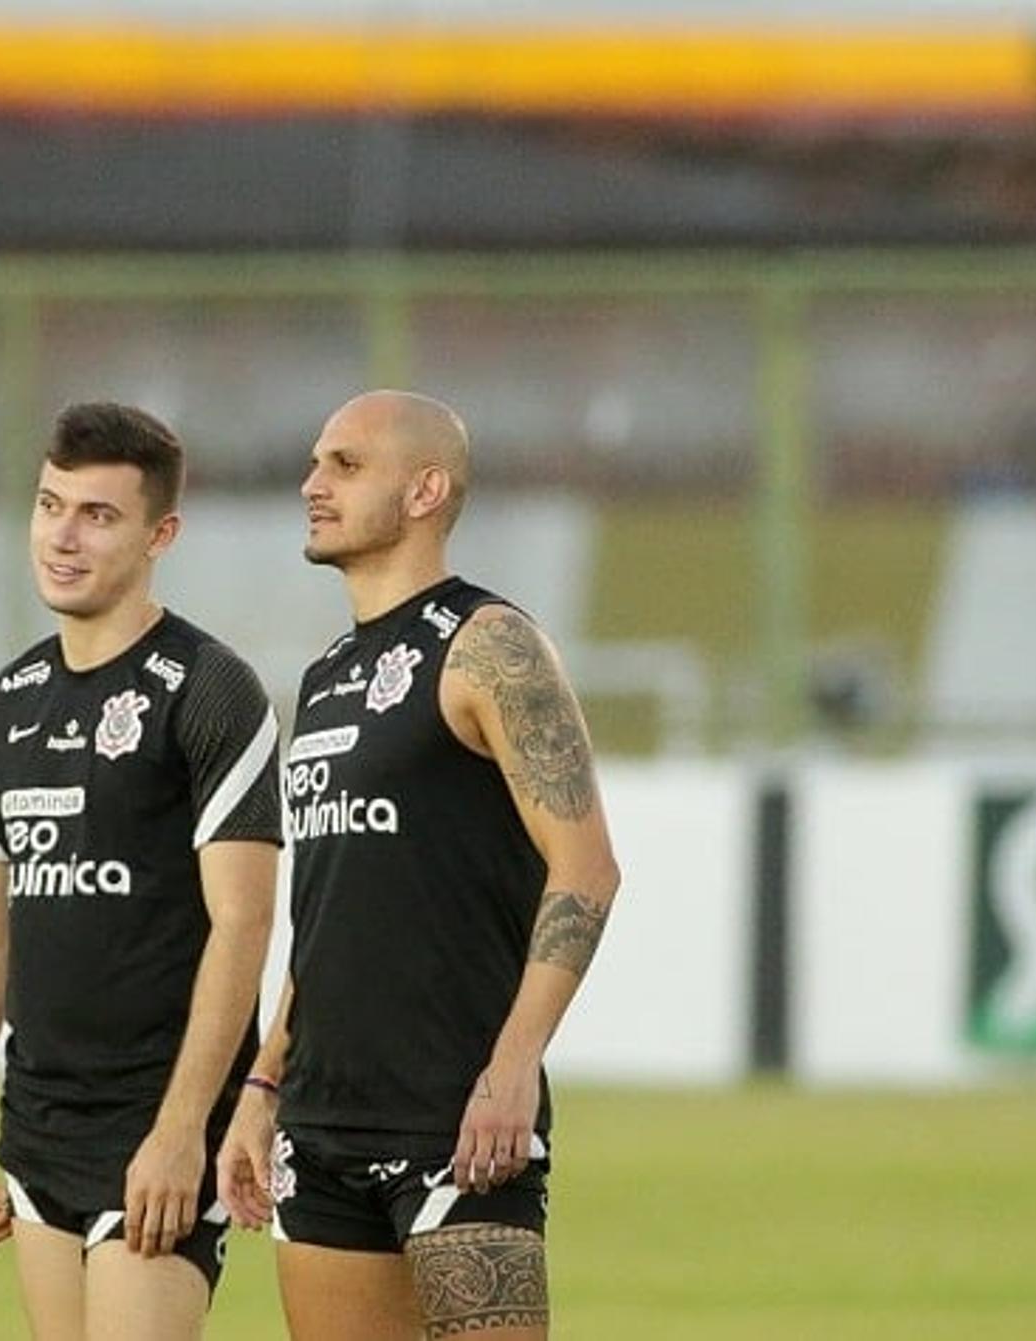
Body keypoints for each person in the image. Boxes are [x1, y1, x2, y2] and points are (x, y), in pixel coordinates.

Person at [216, 391, 621, 1340]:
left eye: (346, 466)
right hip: (317, 1127)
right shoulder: (322, 678)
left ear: (426, 489)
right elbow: (326, 917)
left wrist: (516, 1064)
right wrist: (264, 1084)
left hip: (458, 1120)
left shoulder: (489, 646)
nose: (313, 485)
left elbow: (588, 865)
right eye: (317, 463)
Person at [0, 401, 284, 1340]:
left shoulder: (210, 690)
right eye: (50, 506)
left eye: (98, 514)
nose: (63, 536)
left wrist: (180, 1132)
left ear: (160, 533)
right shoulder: (3, 706)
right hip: (40, 1122)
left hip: (159, 1120)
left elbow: (244, 924)